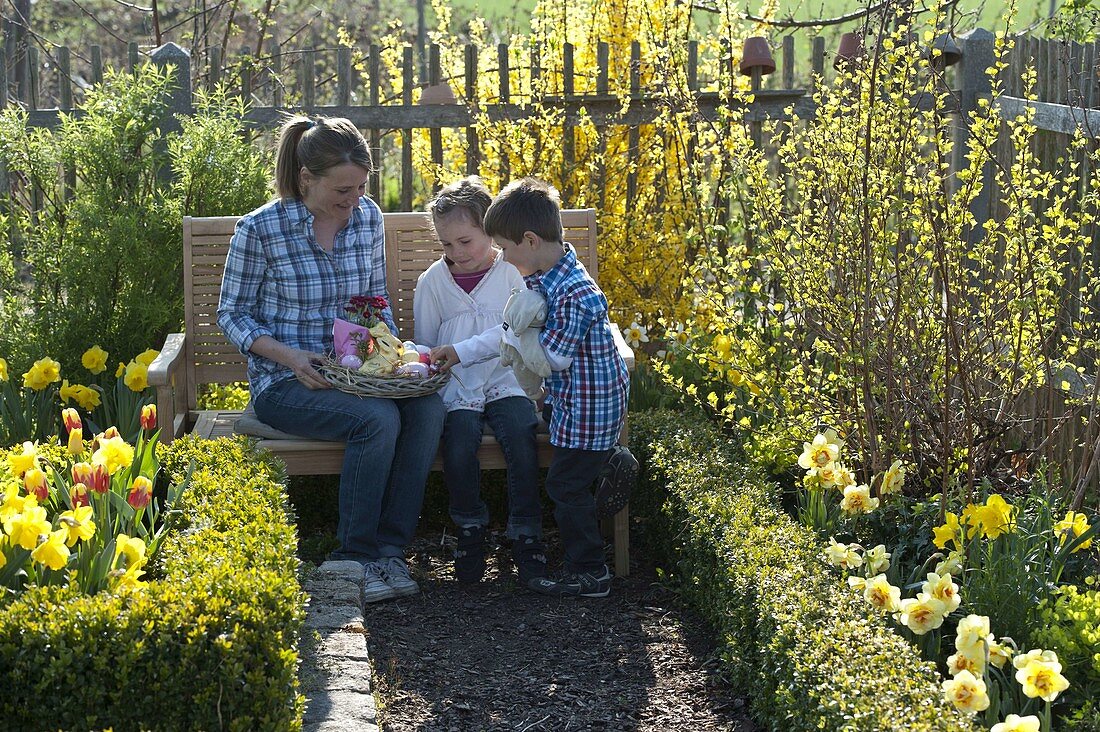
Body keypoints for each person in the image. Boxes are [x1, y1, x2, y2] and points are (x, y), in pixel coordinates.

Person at [217, 115, 445, 603]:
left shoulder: (368, 220)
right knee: (378, 420)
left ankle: (389, 551)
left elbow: (374, 301)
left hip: (356, 376)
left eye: (362, 186)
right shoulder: (259, 230)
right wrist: (291, 357)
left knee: (427, 409)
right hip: (286, 383)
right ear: (306, 179)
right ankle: (353, 558)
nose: (354, 200)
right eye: (343, 190)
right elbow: (232, 315)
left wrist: (393, 359)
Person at [431, 177, 637, 598]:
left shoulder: (575, 292)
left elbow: (554, 359)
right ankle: (608, 462)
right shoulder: (553, 272)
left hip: (589, 407)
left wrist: (514, 333)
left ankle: (591, 572)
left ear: (529, 240)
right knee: (561, 462)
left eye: (505, 248)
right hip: (570, 399)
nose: (503, 257)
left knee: (564, 487)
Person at [413, 176, 546, 585]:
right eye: (446, 245)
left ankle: (526, 532)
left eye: (465, 241)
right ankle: (469, 529)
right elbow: (425, 341)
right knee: (458, 444)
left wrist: (465, 350)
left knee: (522, 439)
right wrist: (429, 364)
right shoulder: (433, 282)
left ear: (490, 230)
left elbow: (516, 330)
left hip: (506, 378)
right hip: (459, 387)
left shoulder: (511, 271)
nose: (456, 254)